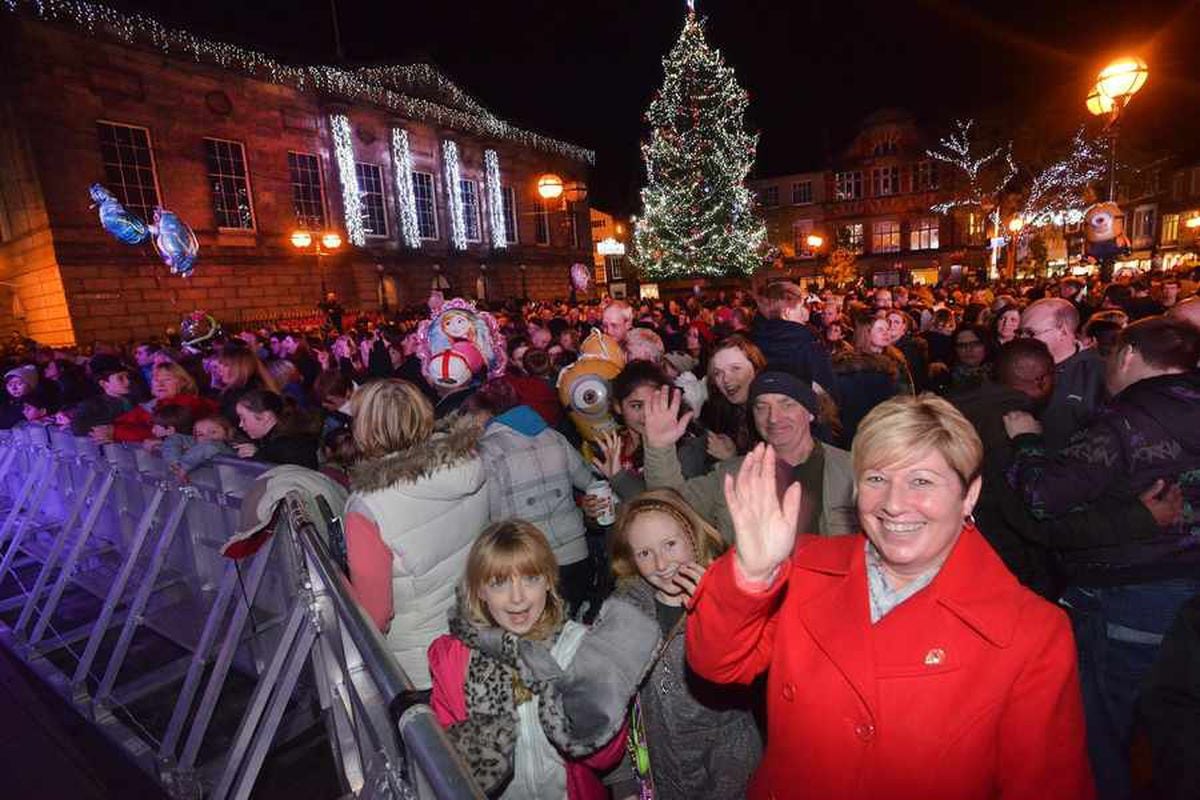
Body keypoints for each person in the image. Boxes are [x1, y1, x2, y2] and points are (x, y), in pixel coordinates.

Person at [685, 397, 1094, 800]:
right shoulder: (808, 569)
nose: (894, 505)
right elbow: (715, 665)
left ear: (968, 495)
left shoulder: (1032, 633)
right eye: (877, 479)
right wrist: (752, 573)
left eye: (921, 481)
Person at [1004, 316, 1200, 800]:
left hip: (1126, 591)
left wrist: (1026, 441)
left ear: (1129, 354)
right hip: (1188, 590)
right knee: (1176, 728)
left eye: (1112, 354)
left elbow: (1044, 496)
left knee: (1098, 728)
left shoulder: (1125, 421)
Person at [427, 520, 658, 799]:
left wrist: (593, 709)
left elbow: (605, 759)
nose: (517, 597)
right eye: (499, 583)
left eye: (531, 578)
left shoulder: (576, 648)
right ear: (479, 591)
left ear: (549, 580)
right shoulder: (455, 660)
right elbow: (449, 765)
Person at [608, 490, 761, 799]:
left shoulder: (734, 594)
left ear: (692, 535)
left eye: (670, 544)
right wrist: (623, 783)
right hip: (661, 776)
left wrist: (717, 611)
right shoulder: (624, 613)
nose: (661, 563)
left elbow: (757, 685)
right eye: (645, 553)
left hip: (728, 774)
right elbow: (612, 707)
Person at [344, 379, 488, 690]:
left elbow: (375, 614)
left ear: (364, 428)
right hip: (478, 634)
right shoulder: (470, 465)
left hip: (422, 663)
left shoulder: (368, 505)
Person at [643, 371, 857, 541]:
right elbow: (671, 506)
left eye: (787, 404)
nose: (773, 417)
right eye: (762, 407)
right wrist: (659, 448)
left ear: (810, 412)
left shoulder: (852, 471)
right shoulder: (730, 476)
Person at [467, 379, 597, 616]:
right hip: (575, 553)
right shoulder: (555, 437)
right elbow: (588, 482)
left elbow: (491, 515)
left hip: (527, 562)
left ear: (487, 413)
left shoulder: (488, 450)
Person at [589, 361, 707, 500]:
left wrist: (618, 477)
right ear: (618, 406)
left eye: (653, 404)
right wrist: (592, 510)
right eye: (637, 406)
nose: (647, 414)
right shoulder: (612, 448)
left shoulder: (683, 447)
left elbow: (669, 507)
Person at [1018, 297, 1104, 451]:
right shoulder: (1013, 365)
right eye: (1020, 333)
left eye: (1030, 333)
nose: (1022, 340)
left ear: (1063, 331)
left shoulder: (1098, 372)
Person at [750, 281, 836, 398]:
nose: (804, 313)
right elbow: (827, 396)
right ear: (787, 313)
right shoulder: (808, 346)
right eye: (800, 307)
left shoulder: (753, 345)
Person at [831, 312, 903, 447]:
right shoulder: (854, 368)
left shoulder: (896, 360)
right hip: (867, 436)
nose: (886, 333)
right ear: (866, 333)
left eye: (887, 329)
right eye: (880, 329)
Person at [99, 362, 217, 443]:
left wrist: (117, 433)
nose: (160, 384)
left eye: (167, 379)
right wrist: (111, 431)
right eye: (155, 380)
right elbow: (120, 424)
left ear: (183, 382)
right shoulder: (152, 404)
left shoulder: (191, 403)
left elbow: (170, 431)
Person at [697, 335, 766, 460]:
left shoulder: (774, 413)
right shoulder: (716, 414)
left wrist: (732, 459)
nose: (726, 379)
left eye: (735, 368)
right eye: (718, 373)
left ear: (756, 368)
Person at [232, 389, 319, 469]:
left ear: (266, 417)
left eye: (243, 418)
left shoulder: (282, 448)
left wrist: (257, 457)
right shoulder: (290, 436)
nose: (241, 425)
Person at [71, 355, 134, 435]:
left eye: (128, 377)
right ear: (104, 383)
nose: (128, 382)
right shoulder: (92, 406)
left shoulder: (132, 400)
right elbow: (79, 429)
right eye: (121, 378)